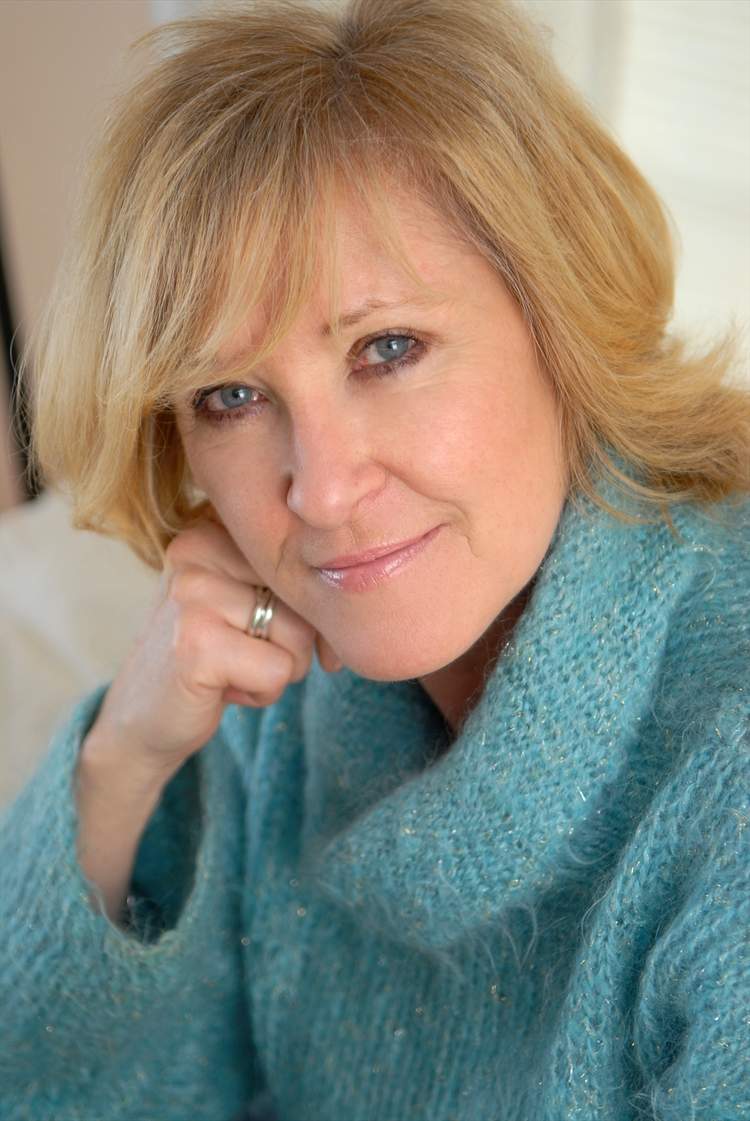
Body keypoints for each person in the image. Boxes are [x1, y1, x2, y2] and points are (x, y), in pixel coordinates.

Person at [2, 0, 749, 1118]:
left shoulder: (727, 779)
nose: (322, 490)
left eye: (387, 348)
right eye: (231, 396)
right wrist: (120, 763)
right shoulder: (273, 711)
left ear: (561, 320)